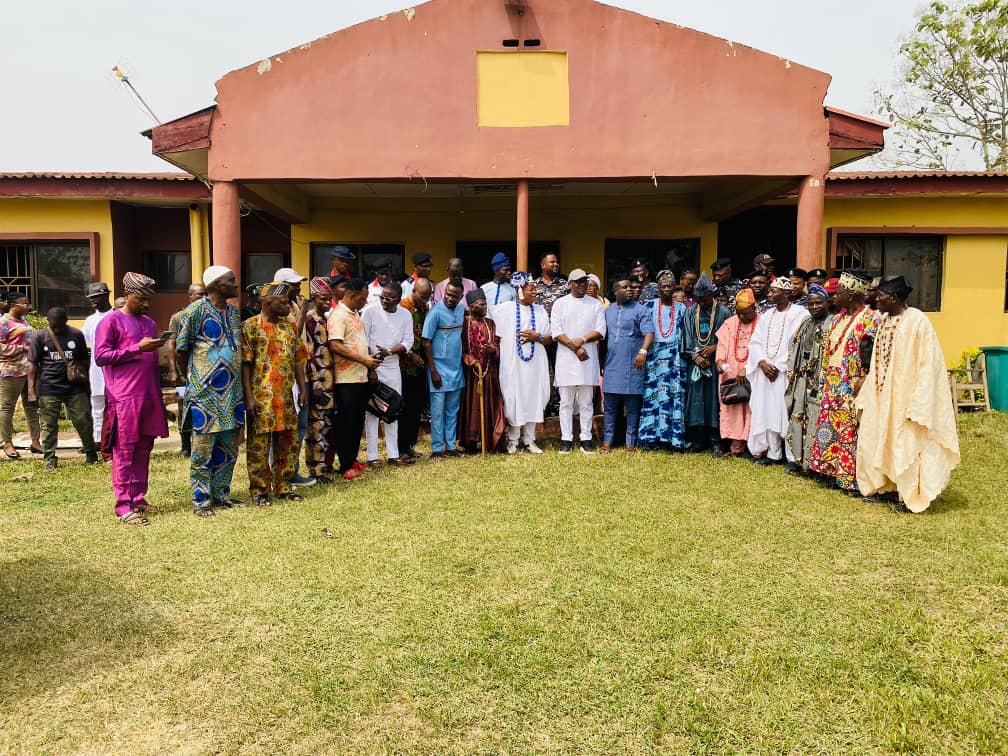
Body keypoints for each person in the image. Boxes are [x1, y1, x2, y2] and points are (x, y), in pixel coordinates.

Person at [855, 275, 961, 513]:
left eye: (880, 296)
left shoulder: (918, 322)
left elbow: (928, 364)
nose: (876, 300)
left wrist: (919, 401)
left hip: (906, 398)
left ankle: (908, 495)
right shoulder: (885, 321)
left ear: (894, 298)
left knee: (906, 443)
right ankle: (887, 487)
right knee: (881, 438)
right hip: (883, 396)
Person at [93, 273, 169, 525]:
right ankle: (124, 506)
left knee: (144, 449)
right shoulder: (110, 321)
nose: (146, 304)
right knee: (124, 451)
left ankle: (138, 498)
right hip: (124, 396)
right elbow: (101, 357)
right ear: (127, 295)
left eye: (149, 299)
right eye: (141, 299)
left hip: (149, 394)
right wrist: (137, 348)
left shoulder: (149, 323)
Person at [175, 266, 245, 515]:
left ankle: (221, 494)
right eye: (231, 280)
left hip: (232, 394)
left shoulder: (233, 312)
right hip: (205, 395)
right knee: (202, 451)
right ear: (215, 284)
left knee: (229, 448)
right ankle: (201, 500)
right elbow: (181, 350)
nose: (236, 284)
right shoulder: (194, 312)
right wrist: (193, 379)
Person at [809, 270, 879, 495]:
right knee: (829, 428)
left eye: (838, 293)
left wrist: (865, 377)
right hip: (832, 383)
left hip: (852, 384)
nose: (834, 297)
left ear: (851, 295)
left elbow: (873, 353)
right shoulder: (838, 318)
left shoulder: (871, 319)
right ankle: (830, 470)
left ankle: (850, 478)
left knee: (850, 431)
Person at [242, 282, 309, 504]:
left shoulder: (290, 328)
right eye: (283, 303)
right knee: (259, 446)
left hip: (286, 396)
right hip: (260, 398)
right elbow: (245, 365)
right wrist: (249, 398)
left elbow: (298, 360)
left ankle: (284, 486)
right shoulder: (250, 327)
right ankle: (259, 490)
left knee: (288, 442)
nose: (288, 307)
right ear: (267, 303)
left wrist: (303, 389)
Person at [27, 307, 98, 471]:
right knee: (48, 424)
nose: (57, 329)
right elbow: (33, 364)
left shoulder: (76, 334)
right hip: (49, 387)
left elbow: (84, 361)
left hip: (75, 387)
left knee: (83, 421)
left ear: (66, 321)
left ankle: (90, 453)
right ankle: (50, 459)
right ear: (48, 322)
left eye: (60, 326)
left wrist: (86, 383)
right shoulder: (40, 336)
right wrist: (31, 390)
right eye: (54, 326)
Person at [746, 279, 809, 465]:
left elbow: (797, 343)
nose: (770, 294)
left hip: (785, 372)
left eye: (774, 291)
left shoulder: (800, 314)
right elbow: (755, 342)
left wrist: (778, 366)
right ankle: (773, 454)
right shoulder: (767, 315)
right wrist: (762, 363)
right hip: (765, 372)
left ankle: (791, 456)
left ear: (786, 293)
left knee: (786, 412)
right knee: (767, 411)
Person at [490, 272, 552, 453]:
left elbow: (549, 337)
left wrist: (536, 336)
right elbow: (484, 313)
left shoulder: (540, 310)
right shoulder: (505, 309)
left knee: (534, 396)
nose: (535, 292)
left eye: (535, 289)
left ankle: (530, 440)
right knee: (513, 396)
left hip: (535, 362)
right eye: (531, 289)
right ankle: (513, 440)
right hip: (513, 362)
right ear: (520, 291)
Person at [328, 278, 380, 478]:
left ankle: (352, 458)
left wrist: (368, 365)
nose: (365, 302)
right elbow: (335, 345)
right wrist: (364, 360)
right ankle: (345, 465)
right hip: (345, 379)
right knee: (347, 422)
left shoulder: (355, 313)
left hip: (360, 377)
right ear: (350, 294)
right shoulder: (338, 316)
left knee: (357, 421)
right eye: (362, 298)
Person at [550, 268, 606, 454]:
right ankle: (566, 438)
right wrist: (575, 348)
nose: (583, 285)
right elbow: (556, 331)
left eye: (585, 282)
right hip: (566, 358)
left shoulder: (595, 304)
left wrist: (581, 341)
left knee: (586, 402)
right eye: (579, 282)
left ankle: (586, 438)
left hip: (587, 358)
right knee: (566, 402)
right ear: (570, 284)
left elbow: (600, 330)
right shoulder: (560, 304)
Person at [362, 282, 414, 466]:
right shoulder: (370, 311)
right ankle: (372, 457)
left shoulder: (405, 315)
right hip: (373, 365)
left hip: (392, 366)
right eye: (382, 297)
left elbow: (408, 341)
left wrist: (390, 351)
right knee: (372, 411)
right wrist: (370, 368)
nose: (384, 301)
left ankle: (393, 454)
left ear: (398, 300)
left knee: (393, 408)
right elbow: (363, 339)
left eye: (389, 299)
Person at [601, 278, 654, 452]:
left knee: (632, 408)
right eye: (625, 287)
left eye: (631, 287)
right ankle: (607, 442)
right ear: (615, 291)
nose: (630, 290)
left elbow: (649, 333)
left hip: (633, 366)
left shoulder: (641, 310)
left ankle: (630, 443)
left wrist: (643, 352)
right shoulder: (608, 311)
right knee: (610, 408)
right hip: (612, 366)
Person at [784, 284, 832, 475]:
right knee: (798, 416)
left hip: (820, 381)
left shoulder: (832, 324)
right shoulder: (805, 323)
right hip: (802, 379)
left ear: (827, 302)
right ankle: (798, 460)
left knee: (816, 419)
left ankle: (815, 465)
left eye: (818, 303)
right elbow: (794, 347)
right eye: (810, 304)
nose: (814, 307)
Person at [680, 273, 730, 454]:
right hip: (696, 363)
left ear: (711, 295)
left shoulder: (724, 312)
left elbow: (729, 338)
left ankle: (716, 441)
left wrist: (715, 347)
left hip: (715, 365)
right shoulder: (690, 311)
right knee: (696, 401)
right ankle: (697, 440)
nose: (701, 302)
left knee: (714, 401)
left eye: (704, 299)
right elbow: (686, 336)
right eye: (698, 299)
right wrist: (695, 356)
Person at [638, 271, 687, 451]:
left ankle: (672, 439)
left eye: (670, 286)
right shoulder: (648, 306)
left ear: (674, 288)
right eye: (663, 286)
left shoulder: (682, 308)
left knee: (673, 396)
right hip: (654, 359)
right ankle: (650, 438)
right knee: (652, 396)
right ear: (658, 288)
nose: (666, 289)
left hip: (674, 360)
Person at [459, 289, 507, 454]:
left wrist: (493, 349)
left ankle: (491, 441)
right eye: (481, 305)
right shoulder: (464, 324)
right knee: (472, 407)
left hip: (489, 372)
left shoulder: (490, 323)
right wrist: (470, 360)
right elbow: (461, 348)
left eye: (486, 304)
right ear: (472, 306)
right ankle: (471, 443)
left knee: (491, 405)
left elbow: (497, 344)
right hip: (471, 374)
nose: (485, 307)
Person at [422, 280, 466, 457]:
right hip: (438, 369)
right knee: (437, 411)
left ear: (461, 297)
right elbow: (426, 342)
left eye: (454, 296)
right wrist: (433, 371)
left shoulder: (461, 309)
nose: (450, 298)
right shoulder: (435, 312)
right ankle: (436, 448)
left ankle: (451, 446)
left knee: (452, 410)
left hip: (456, 368)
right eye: (448, 294)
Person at [714, 289, 758, 456]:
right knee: (734, 407)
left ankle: (754, 447)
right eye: (738, 313)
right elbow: (722, 345)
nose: (741, 317)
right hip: (731, 372)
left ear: (754, 308)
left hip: (754, 372)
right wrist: (720, 361)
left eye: (745, 313)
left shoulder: (763, 322)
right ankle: (736, 445)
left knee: (753, 408)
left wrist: (747, 368)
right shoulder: (730, 323)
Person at [167, 282, 207, 458]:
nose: (203, 297)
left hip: (204, 371)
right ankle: (185, 445)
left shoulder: (208, 315)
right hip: (184, 374)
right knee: (183, 406)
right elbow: (172, 345)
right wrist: (173, 371)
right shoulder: (179, 317)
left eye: (205, 294)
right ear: (190, 296)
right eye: (199, 294)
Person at [303, 278, 337, 483]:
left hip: (331, 382)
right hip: (318, 383)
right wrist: (315, 384)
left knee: (327, 426)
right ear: (314, 297)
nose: (327, 302)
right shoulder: (309, 320)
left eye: (329, 299)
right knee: (316, 427)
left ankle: (326, 465)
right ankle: (315, 469)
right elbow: (307, 354)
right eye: (323, 299)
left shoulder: (327, 319)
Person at [0, 292, 42, 459]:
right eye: (25, 304)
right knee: (7, 407)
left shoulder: (24, 321)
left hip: (29, 370)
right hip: (11, 370)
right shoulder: (3, 323)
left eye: (28, 304)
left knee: (32, 406)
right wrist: (21, 348)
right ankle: (7, 443)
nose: (28, 307)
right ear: (13, 306)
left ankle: (36, 442)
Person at [398, 278, 432, 460]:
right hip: (404, 366)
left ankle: (410, 445)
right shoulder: (403, 308)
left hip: (420, 366)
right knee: (404, 408)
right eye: (422, 296)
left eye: (428, 297)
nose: (425, 300)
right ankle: (401, 448)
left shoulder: (425, 309)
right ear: (413, 291)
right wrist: (411, 354)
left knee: (416, 407)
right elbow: (397, 335)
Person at [82, 282, 114, 448]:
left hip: (116, 368)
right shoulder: (90, 321)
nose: (92, 301)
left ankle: (115, 438)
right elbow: (85, 344)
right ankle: (98, 439)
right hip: (96, 369)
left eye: (96, 297)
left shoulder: (117, 316)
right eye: (90, 298)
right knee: (97, 405)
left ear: (106, 295)